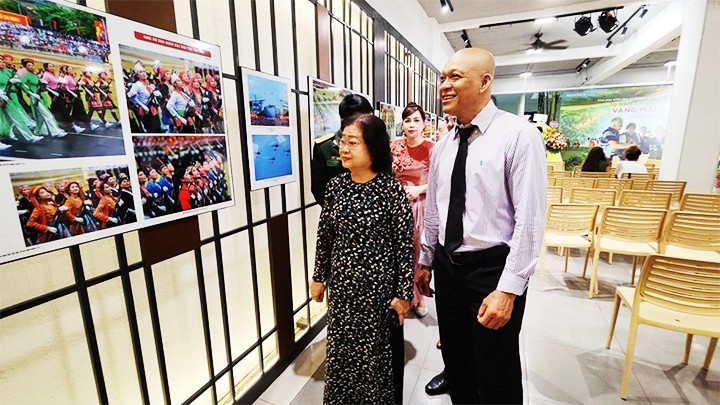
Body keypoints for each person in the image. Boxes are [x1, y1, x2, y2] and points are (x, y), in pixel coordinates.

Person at [415, 48, 546, 404]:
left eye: (455, 76)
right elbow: (435, 210)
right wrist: (426, 260)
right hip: (447, 266)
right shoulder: (443, 146)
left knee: (495, 370)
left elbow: (530, 220)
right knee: (457, 362)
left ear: (485, 81)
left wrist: (509, 289)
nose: (444, 85)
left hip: (491, 270)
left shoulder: (518, 135)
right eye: (443, 77)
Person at [310, 113, 414, 404]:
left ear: (373, 148)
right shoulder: (336, 187)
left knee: (373, 361)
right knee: (342, 355)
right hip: (342, 290)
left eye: (352, 143)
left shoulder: (390, 191)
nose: (343, 148)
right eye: (342, 141)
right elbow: (325, 236)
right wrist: (318, 277)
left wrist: (403, 294)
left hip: (377, 295)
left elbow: (405, 246)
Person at [391, 102, 434, 318]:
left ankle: (420, 296)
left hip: (420, 206)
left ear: (424, 124)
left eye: (416, 120)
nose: (411, 124)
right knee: (398, 251)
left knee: (417, 251)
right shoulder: (394, 146)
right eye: (407, 120)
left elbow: (441, 181)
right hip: (396, 205)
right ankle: (400, 294)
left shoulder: (432, 148)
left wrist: (419, 189)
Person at [310, 94, 374, 204]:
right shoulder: (325, 147)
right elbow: (318, 187)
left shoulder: (375, 143)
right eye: (361, 119)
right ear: (343, 120)